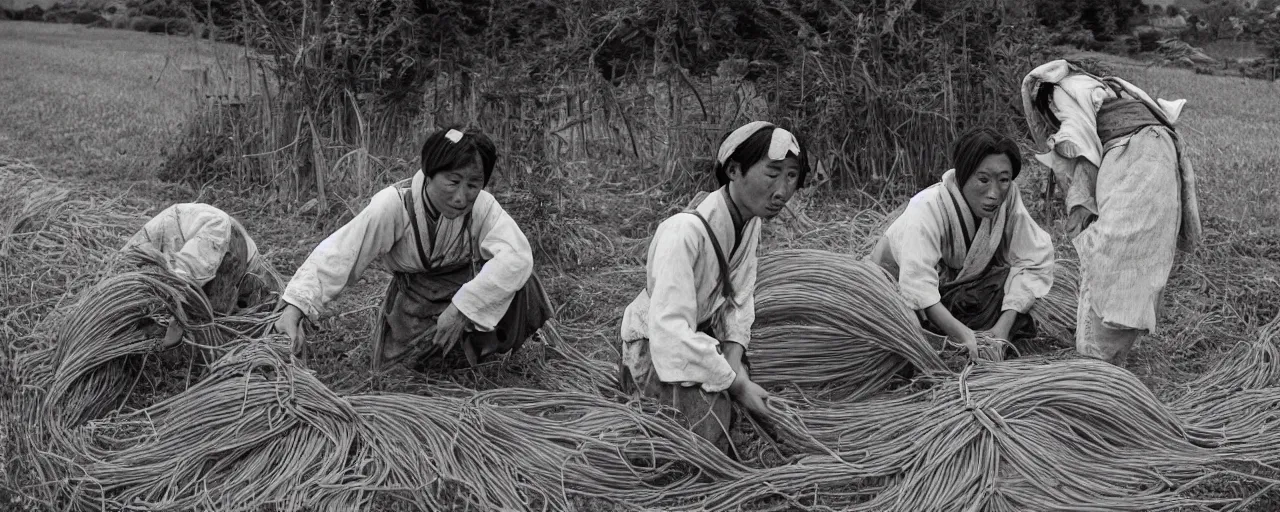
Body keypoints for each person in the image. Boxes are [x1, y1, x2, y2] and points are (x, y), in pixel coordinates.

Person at [273, 127, 552, 371]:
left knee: (522, 280)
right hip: (416, 301)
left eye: (473, 185)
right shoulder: (394, 205)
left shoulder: (484, 207)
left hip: (465, 289)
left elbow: (516, 255)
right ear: (429, 174)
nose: (461, 197)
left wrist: (463, 309)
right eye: (453, 182)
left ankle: (492, 348)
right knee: (404, 374)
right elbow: (341, 253)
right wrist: (295, 308)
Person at [618, 121, 806, 453]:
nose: (782, 191)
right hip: (658, 348)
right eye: (772, 173)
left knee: (737, 399)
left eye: (791, 176)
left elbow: (740, 298)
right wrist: (739, 386)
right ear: (734, 170)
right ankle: (638, 392)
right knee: (711, 430)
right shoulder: (684, 234)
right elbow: (670, 333)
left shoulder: (750, 224)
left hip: (701, 338)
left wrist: (734, 364)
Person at [1021, 59, 1201, 366]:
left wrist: (1079, 209)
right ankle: (1106, 363)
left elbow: (1079, 142)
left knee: (1109, 262)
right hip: (1158, 154)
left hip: (1133, 158)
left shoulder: (1061, 93)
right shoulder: (1103, 87)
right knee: (1134, 264)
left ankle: (1096, 367)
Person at [867, 128, 1055, 359]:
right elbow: (918, 289)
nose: (994, 193)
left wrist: (1001, 332)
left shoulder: (1009, 200)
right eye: (983, 179)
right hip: (896, 291)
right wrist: (966, 337)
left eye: (1004, 180)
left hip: (951, 289)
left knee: (1013, 290)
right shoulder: (926, 209)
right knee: (903, 340)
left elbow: (1034, 259)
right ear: (963, 175)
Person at [120, 202, 285, 347]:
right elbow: (185, 277)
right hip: (210, 230)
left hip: (197, 226)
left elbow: (184, 278)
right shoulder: (246, 267)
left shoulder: (254, 279)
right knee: (209, 315)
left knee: (207, 314)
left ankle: (196, 342)